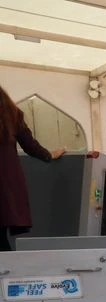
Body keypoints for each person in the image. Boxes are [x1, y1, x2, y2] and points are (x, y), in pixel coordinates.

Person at [0, 85, 66, 251]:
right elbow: (30, 146)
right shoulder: (12, 114)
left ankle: (10, 267)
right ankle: (11, 267)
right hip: (7, 186)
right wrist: (49, 155)